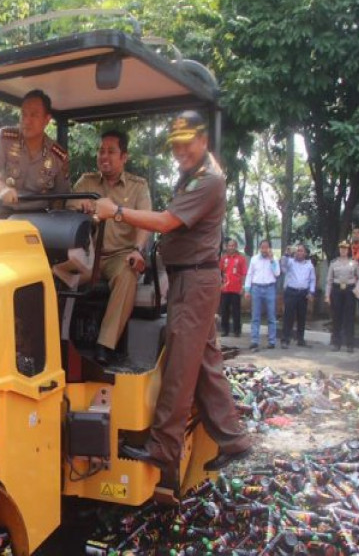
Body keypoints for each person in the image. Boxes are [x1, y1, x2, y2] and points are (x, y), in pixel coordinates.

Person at [93, 110, 251, 472]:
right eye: (176, 146)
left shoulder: (207, 180)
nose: (180, 151)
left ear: (204, 140)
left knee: (180, 365)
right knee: (207, 364)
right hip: (189, 278)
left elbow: (165, 222)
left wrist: (117, 211)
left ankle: (164, 447)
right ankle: (234, 439)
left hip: (195, 281)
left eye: (187, 144)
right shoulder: (192, 175)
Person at [68, 130, 152, 365]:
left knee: (127, 274)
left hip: (120, 256)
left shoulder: (138, 186)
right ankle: (56, 338)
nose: (104, 156)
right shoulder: (87, 182)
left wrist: (138, 250)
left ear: (124, 157)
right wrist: (80, 204)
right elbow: (68, 203)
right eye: (101, 151)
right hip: (88, 256)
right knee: (52, 276)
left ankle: (105, 345)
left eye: (111, 152)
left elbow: (145, 221)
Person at [0, 89, 70, 218]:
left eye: (34, 115)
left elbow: (62, 197)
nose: (27, 121)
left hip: (39, 217)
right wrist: (3, 189)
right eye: (24, 114)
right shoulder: (5, 138)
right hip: (5, 213)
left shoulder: (58, 156)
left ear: (47, 119)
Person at [325, 240, 359, 353]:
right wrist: (327, 295)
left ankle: (350, 344)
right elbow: (329, 281)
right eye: (341, 249)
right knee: (337, 317)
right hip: (337, 290)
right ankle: (336, 343)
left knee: (349, 317)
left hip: (349, 291)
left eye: (345, 249)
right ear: (339, 250)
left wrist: (357, 288)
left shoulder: (354, 263)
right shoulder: (334, 263)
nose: (343, 251)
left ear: (348, 250)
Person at [244, 239, 280, 350]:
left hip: (270, 288)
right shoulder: (254, 259)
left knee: (271, 316)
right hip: (256, 288)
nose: (264, 249)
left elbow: (277, 273)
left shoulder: (274, 259)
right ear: (260, 248)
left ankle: (272, 341)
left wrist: (272, 260)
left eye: (266, 247)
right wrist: (247, 289)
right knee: (255, 316)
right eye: (262, 247)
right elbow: (249, 274)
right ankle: (254, 340)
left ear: (269, 248)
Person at [280, 243, 316, 348]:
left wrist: (311, 292)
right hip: (291, 292)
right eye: (297, 250)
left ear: (305, 253)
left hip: (303, 293)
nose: (299, 253)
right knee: (288, 317)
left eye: (301, 251)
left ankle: (300, 339)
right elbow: (283, 266)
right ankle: (285, 339)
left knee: (302, 317)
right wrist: (287, 254)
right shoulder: (290, 262)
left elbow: (312, 280)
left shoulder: (309, 265)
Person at [219, 238, 247, 337]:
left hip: (236, 288)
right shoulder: (223, 258)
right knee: (224, 310)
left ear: (236, 247)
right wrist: (220, 284)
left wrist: (243, 287)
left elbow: (244, 274)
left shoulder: (241, 259)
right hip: (225, 288)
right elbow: (220, 272)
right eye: (229, 246)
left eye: (233, 246)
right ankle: (224, 330)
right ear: (227, 247)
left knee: (236, 311)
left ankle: (237, 331)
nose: (231, 247)